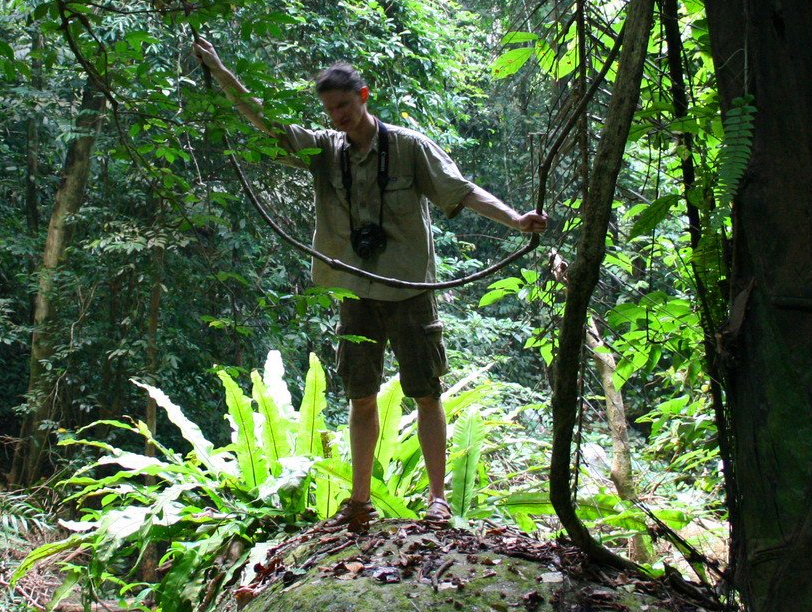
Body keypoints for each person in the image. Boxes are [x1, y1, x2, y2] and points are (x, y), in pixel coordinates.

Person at [193, 38, 547, 531]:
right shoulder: (324, 149)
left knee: (426, 392)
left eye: (344, 105)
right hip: (355, 292)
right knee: (360, 396)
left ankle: (438, 500)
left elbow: (461, 191)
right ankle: (359, 502)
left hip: (409, 291)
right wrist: (218, 69)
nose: (338, 116)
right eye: (330, 109)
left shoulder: (408, 146)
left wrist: (516, 219)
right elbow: (266, 123)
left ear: (363, 96)